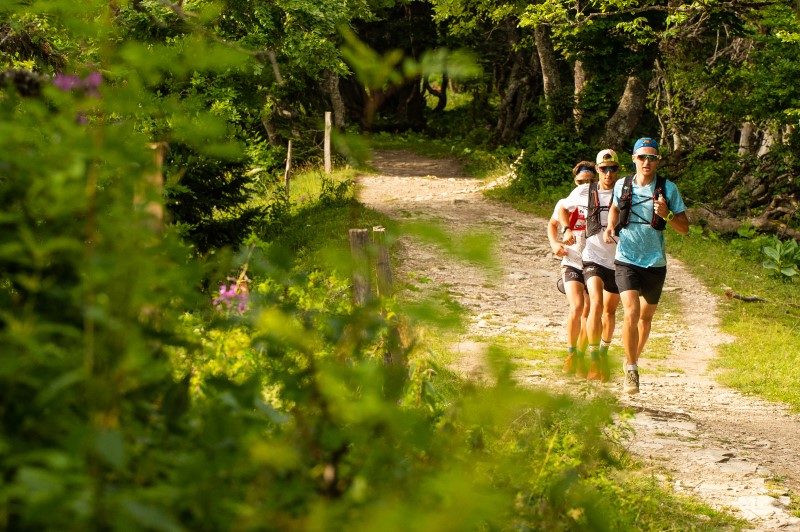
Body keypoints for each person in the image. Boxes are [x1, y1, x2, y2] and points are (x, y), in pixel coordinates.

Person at [602, 137, 689, 394]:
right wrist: (609, 225)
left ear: (658, 161)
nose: (647, 162)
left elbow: (684, 229)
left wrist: (667, 214)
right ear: (634, 159)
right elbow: (616, 208)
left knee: (645, 317)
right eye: (642, 157)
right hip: (626, 257)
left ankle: (632, 358)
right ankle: (631, 369)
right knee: (630, 312)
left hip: (655, 262)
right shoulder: (622, 184)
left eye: (652, 157)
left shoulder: (668, 189)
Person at [559, 149, 622, 382]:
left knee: (610, 311)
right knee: (593, 303)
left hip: (619, 257)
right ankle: (588, 358)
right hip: (592, 255)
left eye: (612, 169)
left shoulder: (625, 190)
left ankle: (601, 354)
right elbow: (563, 209)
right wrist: (565, 230)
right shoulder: (585, 191)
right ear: (597, 170)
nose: (608, 173)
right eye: (604, 169)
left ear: (617, 170)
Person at [548, 161, 596, 377]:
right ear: (575, 181)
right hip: (571, 260)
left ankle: (580, 357)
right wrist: (555, 244)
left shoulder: (601, 200)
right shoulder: (568, 201)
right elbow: (552, 223)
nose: (585, 184)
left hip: (595, 261)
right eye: (581, 181)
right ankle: (571, 353)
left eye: (589, 180)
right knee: (577, 306)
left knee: (590, 310)